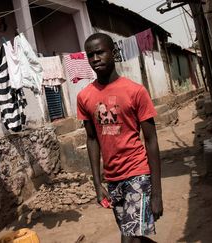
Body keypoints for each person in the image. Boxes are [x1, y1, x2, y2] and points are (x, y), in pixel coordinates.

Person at [77, 33, 163, 243]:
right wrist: (98, 184)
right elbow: (92, 139)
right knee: (133, 234)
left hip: (138, 173)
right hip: (113, 178)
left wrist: (157, 193)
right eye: (90, 55)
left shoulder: (136, 91)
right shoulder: (84, 97)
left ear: (113, 53)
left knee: (129, 239)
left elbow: (151, 140)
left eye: (100, 52)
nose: (95, 58)